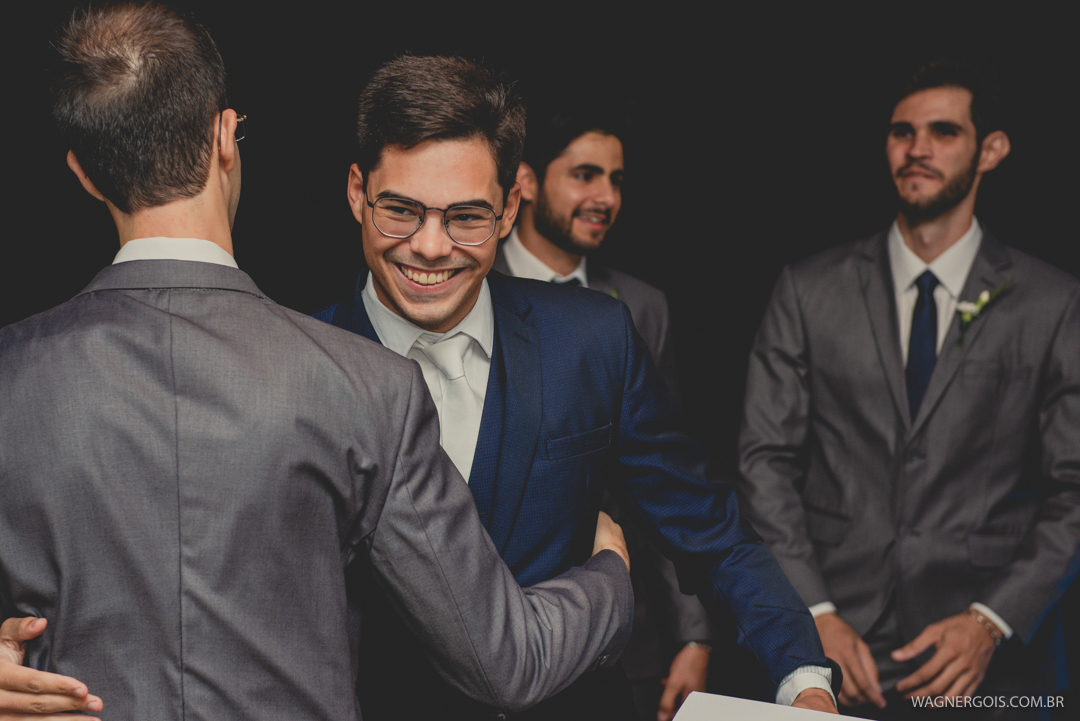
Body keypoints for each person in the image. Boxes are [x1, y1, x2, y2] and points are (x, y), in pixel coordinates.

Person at [0, 5, 635, 719]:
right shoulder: (367, 384)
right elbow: (507, 658)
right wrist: (610, 572)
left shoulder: (11, 375)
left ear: (84, 174)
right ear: (225, 139)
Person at [314, 55, 840, 719]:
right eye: (401, 210)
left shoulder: (592, 339)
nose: (431, 246)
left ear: (509, 208)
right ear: (357, 192)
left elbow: (712, 532)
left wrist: (802, 676)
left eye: (467, 217)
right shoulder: (300, 364)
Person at [736, 58, 1080, 719]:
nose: (917, 148)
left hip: (990, 660)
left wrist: (990, 621)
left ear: (991, 150)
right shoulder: (808, 289)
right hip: (836, 641)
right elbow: (764, 461)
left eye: (944, 131)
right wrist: (815, 614)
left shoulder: (1055, 303)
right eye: (902, 132)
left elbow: (1074, 487)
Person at [495, 104, 713, 720]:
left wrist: (694, 636)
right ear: (526, 181)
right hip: (488, 625)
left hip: (619, 639)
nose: (606, 197)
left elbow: (666, 483)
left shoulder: (642, 307)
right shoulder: (469, 281)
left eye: (616, 180)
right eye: (585, 175)